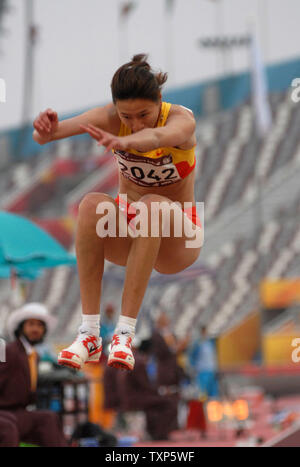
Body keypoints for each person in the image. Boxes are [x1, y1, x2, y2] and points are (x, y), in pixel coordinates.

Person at [32, 53, 203, 372]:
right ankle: (90, 333)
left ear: (160, 102)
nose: (135, 124)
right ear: (115, 108)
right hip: (133, 235)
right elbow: (46, 136)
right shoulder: (109, 118)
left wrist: (130, 138)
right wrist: (44, 129)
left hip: (179, 239)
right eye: (127, 117)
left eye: (143, 114)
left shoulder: (181, 120)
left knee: (152, 204)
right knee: (92, 205)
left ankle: (125, 333)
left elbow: (156, 137)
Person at [0, 303, 68, 447]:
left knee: (49, 418)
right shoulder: (8, 350)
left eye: (39, 325)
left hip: (18, 412)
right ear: (21, 328)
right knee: (7, 427)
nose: (35, 329)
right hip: (4, 412)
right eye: (31, 324)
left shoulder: (33, 355)